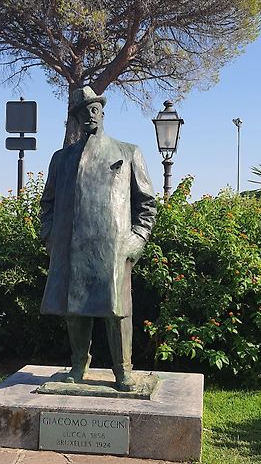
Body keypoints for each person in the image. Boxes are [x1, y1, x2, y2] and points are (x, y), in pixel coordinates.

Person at [40, 85, 157, 391]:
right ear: (76, 119)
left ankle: (123, 371)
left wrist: (138, 239)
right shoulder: (61, 159)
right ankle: (78, 366)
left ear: (102, 112)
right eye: (82, 113)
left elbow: (146, 203)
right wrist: (49, 236)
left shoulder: (128, 152)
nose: (89, 117)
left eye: (93, 110)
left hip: (114, 247)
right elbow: (47, 203)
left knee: (117, 311)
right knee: (75, 309)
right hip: (70, 246)